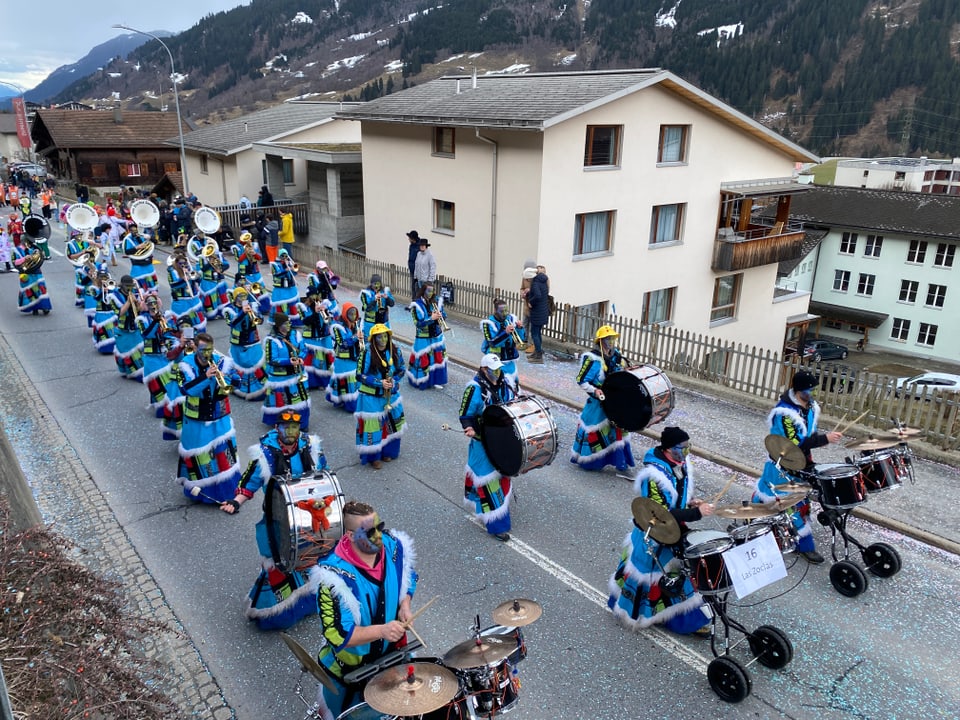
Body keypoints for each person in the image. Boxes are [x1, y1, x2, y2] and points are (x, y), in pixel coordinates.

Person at [219, 414, 328, 630]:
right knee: (279, 564)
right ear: (277, 428)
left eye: (294, 428)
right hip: (278, 520)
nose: (290, 433)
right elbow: (250, 480)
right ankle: (277, 613)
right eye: (285, 428)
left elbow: (324, 476)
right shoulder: (265, 454)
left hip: (308, 516)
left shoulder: (311, 447)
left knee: (310, 558)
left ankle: (308, 603)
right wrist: (236, 501)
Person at [313, 501, 417, 719]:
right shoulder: (333, 578)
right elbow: (338, 633)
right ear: (350, 536)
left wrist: (404, 605)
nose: (378, 536)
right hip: (352, 672)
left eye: (379, 527)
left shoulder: (393, 547)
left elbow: (409, 579)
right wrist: (382, 631)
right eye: (369, 532)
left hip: (391, 657)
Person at [608, 427, 715, 635]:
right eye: (681, 448)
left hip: (674, 531)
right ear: (667, 449)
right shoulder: (653, 477)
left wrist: (691, 504)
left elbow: (676, 499)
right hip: (655, 535)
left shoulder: (680, 465)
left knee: (677, 574)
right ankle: (648, 614)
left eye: (688, 447)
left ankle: (683, 619)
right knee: (652, 576)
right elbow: (661, 513)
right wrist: (697, 514)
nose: (686, 452)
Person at [753, 370, 843, 564]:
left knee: (801, 501)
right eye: (809, 389)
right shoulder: (784, 413)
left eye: (813, 389)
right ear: (799, 389)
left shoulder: (811, 407)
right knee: (790, 503)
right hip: (783, 465)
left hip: (802, 463)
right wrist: (824, 439)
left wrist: (820, 440)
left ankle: (757, 519)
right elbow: (793, 443)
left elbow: (811, 434)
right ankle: (805, 545)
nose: (813, 393)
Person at [176, 332, 242, 503]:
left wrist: (230, 378)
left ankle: (228, 491)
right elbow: (186, 389)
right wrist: (206, 377)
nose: (207, 354)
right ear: (195, 347)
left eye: (210, 350)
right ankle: (204, 494)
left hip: (220, 416)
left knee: (224, 453)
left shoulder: (221, 361)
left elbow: (237, 381)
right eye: (204, 350)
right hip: (196, 419)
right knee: (201, 457)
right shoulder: (184, 365)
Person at [460, 354, 517, 541]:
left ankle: (487, 510)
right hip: (481, 439)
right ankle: (496, 523)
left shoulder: (505, 383)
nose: (497, 372)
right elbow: (465, 414)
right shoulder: (474, 388)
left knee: (502, 474)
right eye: (493, 369)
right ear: (483, 369)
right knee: (487, 478)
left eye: (498, 369)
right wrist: (468, 427)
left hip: (502, 437)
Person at [570, 325, 635, 473]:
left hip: (615, 401)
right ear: (600, 341)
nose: (611, 342)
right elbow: (581, 380)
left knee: (618, 430)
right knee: (593, 429)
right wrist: (595, 390)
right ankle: (590, 461)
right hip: (598, 402)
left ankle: (618, 460)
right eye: (607, 339)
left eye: (612, 338)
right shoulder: (592, 359)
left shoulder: (616, 355)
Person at [355, 323, 406, 469]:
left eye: (385, 336)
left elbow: (401, 369)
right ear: (374, 339)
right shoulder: (367, 353)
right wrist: (379, 383)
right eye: (379, 337)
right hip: (371, 396)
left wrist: (394, 381)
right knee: (373, 427)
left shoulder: (395, 350)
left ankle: (387, 451)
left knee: (392, 423)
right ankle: (373, 456)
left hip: (391, 394)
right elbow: (359, 375)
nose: (383, 340)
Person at [262, 311, 311, 431]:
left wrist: (301, 358)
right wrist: (289, 361)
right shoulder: (271, 340)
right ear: (279, 326)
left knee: (301, 400)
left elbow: (303, 348)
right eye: (286, 323)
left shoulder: (295, 334)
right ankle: (282, 424)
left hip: (297, 374)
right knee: (283, 401)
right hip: (281, 378)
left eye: (289, 322)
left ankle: (302, 423)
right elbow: (272, 360)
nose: (289, 325)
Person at [136, 294, 179, 425]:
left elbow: (171, 332)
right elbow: (146, 334)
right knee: (156, 382)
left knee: (169, 382)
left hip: (165, 354)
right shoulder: (141, 319)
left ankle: (168, 408)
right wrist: (155, 321)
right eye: (149, 304)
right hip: (151, 356)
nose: (152, 306)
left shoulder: (166, 315)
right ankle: (160, 408)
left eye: (154, 303)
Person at [221, 287, 267, 400]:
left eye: (244, 296)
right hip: (238, 343)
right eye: (240, 297)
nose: (243, 299)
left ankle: (259, 389)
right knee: (239, 365)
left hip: (253, 341)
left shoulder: (252, 305)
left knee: (256, 363)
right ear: (236, 298)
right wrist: (242, 312)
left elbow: (260, 320)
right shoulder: (229, 309)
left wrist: (254, 312)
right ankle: (239, 387)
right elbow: (232, 323)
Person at [406, 281, 447, 390]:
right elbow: (418, 324)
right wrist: (431, 319)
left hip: (436, 336)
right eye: (428, 291)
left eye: (432, 291)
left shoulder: (436, 301)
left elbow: (445, 315)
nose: (431, 293)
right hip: (423, 338)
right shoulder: (416, 305)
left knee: (437, 359)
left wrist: (441, 315)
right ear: (423, 291)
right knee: (425, 360)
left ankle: (436, 380)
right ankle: (423, 381)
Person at [480, 299, 524, 391]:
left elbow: (521, 339)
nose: (505, 314)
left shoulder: (511, 319)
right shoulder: (488, 324)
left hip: (510, 359)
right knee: (499, 385)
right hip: (496, 360)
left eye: (506, 311)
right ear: (496, 311)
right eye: (502, 311)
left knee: (514, 385)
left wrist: (520, 329)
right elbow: (492, 343)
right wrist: (505, 333)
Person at [327, 302, 362, 413]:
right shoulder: (337, 327)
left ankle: (351, 402)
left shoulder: (355, 324)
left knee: (354, 382)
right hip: (343, 360)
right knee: (346, 382)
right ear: (345, 314)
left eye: (354, 313)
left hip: (354, 358)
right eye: (350, 313)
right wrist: (356, 338)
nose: (353, 316)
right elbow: (342, 343)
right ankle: (349, 404)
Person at [108, 275, 145, 379]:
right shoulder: (114, 296)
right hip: (123, 328)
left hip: (135, 326)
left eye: (131, 286)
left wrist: (138, 303)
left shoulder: (134, 292)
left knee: (138, 352)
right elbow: (119, 313)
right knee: (125, 352)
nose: (130, 288)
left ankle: (137, 372)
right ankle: (129, 371)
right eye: (127, 286)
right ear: (122, 285)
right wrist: (129, 302)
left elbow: (139, 310)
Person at [299, 292, 336, 391]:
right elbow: (305, 321)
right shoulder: (303, 308)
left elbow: (330, 321)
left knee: (322, 363)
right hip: (310, 340)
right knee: (309, 362)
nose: (316, 300)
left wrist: (325, 311)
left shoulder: (324, 306)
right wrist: (315, 312)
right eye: (313, 298)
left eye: (317, 297)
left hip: (323, 339)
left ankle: (322, 382)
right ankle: (310, 383)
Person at [166, 245, 207, 334]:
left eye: (184, 262)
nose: (183, 265)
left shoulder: (190, 268)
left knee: (198, 322)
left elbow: (199, 280)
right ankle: (186, 343)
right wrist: (184, 279)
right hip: (181, 303)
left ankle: (199, 339)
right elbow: (174, 286)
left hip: (194, 300)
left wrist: (196, 276)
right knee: (185, 325)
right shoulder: (172, 272)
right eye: (181, 263)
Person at [12, 238, 53, 315]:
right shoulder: (17, 250)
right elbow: (15, 262)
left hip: (36, 271)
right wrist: (24, 258)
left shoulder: (35, 248)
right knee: (29, 291)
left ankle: (45, 307)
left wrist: (39, 255)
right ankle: (34, 308)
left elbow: (40, 259)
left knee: (41, 288)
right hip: (24, 274)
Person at [197, 239, 230, 320]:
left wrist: (221, 268)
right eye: (208, 244)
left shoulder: (219, 255)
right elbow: (202, 269)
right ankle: (211, 314)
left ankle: (222, 312)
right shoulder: (202, 257)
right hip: (209, 281)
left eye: (212, 244)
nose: (211, 247)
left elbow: (227, 265)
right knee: (211, 299)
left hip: (219, 280)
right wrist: (209, 263)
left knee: (222, 297)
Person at [269, 248, 302, 325]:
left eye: (286, 255)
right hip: (280, 289)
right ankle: (281, 321)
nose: (284, 257)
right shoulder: (274, 264)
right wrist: (285, 270)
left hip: (290, 287)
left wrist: (293, 270)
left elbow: (294, 274)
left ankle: (293, 321)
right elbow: (276, 274)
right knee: (281, 306)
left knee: (292, 304)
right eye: (282, 256)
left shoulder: (289, 263)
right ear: (279, 256)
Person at [121, 226, 159, 291]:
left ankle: (153, 295)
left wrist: (150, 237)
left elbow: (155, 242)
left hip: (148, 263)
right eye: (133, 231)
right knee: (139, 285)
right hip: (137, 264)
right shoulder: (128, 239)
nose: (135, 232)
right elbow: (127, 252)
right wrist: (137, 247)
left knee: (152, 284)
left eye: (136, 230)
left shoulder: (142, 236)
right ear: (129, 231)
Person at [526, 265, 550, 363]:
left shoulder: (535, 283)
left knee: (534, 333)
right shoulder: (543, 281)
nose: (527, 281)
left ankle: (538, 355)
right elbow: (541, 293)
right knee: (538, 332)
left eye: (527, 279)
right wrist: (528, 293)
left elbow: (538, 295)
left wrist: (530, 302)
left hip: (537, 312)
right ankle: (537, 351)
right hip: (543, 311)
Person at [359, 273, 395, 339]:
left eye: (378, 283)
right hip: (370, 324)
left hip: (383, 323)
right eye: (374, 284)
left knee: (384, 341)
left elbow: (392, 304)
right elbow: (367, 308)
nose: (376, 286)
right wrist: (374, 300)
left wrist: (387, 298)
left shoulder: (385, 291)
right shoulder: (365, 293)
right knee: (369, 342)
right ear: (371, 284)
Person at [519, 260, 537, 355]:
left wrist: (530, 290)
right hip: (526, 305)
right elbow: (522, 288)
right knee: (525, 324)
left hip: (534, 306)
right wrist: (523, 292)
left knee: (534, 327)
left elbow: (542, 292)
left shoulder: (539, 279)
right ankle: (524, 341)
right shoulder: (524, 278)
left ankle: (533, 344)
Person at [406, 229, 420, 296]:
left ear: (413, 239)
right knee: (413, 287)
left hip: (418, 271)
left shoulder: (419, 247)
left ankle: (418, 302)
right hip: (412, 270)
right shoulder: (411, 246)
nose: (408, 239)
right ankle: (413, 301)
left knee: (417, 287)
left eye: (409, 238)